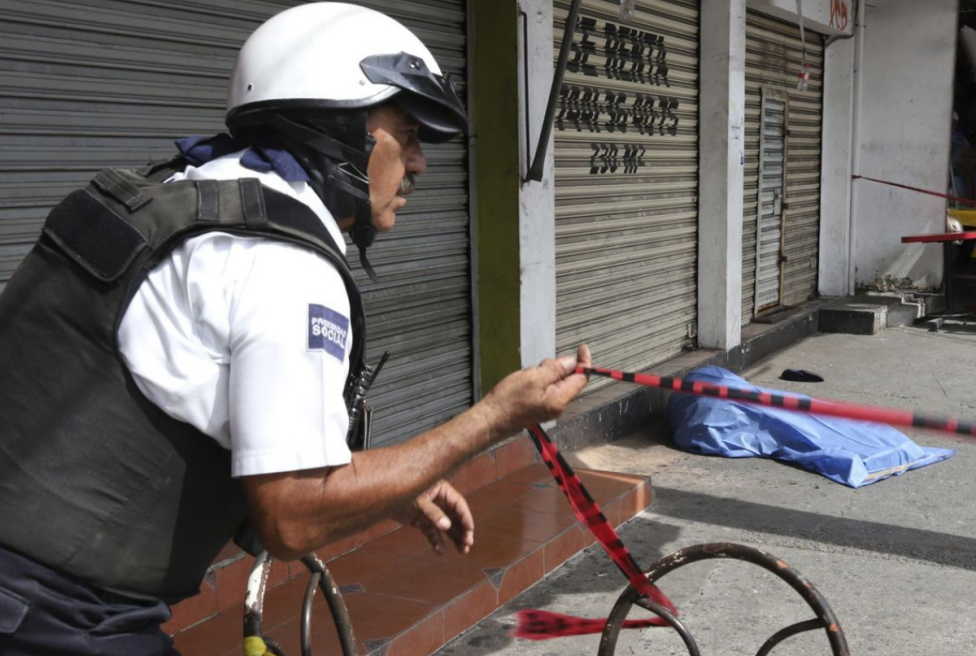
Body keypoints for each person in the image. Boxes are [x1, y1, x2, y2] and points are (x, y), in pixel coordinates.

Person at [0, 4, 589, 654]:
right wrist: (496, 419)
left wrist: (391, 488)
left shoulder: (182, 196)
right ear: (337, 126)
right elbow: (292, 515)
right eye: (408, 133)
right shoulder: (283, 264)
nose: (421, 164)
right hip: (53, 614)